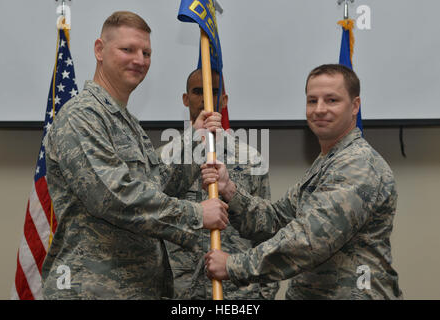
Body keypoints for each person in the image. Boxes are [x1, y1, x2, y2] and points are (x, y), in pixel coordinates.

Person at [42, 11, 229, 299]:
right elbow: (114, 196)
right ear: (99, 50)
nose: (139, 60)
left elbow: (156, 184)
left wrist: (197, 141)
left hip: (134, 288)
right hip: (92, 288)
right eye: (127, 49)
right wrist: (195, 214)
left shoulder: (125, 121)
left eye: (146, 52)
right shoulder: (82, 116)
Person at [202, 64, 403, 299]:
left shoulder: (357, 165)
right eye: (312, 100)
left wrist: (234, 265)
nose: (319, 109)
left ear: (355, 106)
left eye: (331, 100)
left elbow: (309, 241)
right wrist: (230, 191)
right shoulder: (328, 162)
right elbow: (275, 221)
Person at [162, 69, 279, 300]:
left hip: (238, 293)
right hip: (182, 293)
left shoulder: (250, 159)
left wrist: (265, 295)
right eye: (198, 91)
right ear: (185, 99)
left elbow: (266, 232)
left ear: (224, 100)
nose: (206, 99)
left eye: (214, 92)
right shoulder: (165, 158)